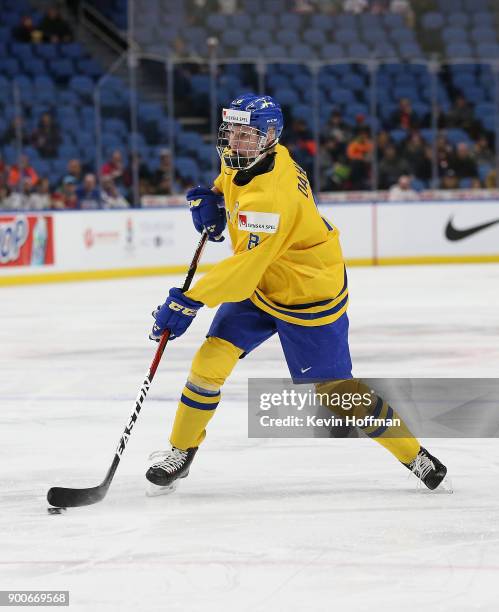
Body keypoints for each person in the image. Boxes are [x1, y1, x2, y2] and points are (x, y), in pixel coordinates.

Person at [144, 93, 449, 496]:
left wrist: (189, 300)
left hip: (308, 291)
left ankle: (415, 455)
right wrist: (213, 197)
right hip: (265, 280)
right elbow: (231, 188)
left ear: (270, 137)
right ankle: (180, 451)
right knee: (208, 363)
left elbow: (241, 271)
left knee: (337, 392)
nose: (235, 141)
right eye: (231, 131)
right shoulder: (247, 157)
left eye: (246, 134)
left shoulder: (273, 198)